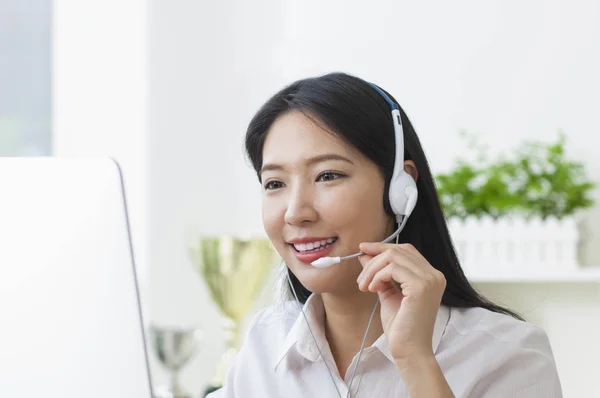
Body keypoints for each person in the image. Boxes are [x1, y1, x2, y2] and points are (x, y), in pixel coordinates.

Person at [205, 72, 562, 397]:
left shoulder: (509, 354)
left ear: (399, 190)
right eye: (275, 183)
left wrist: (415, 359)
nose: (296, 211)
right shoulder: (265, 343)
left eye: (328, 176)